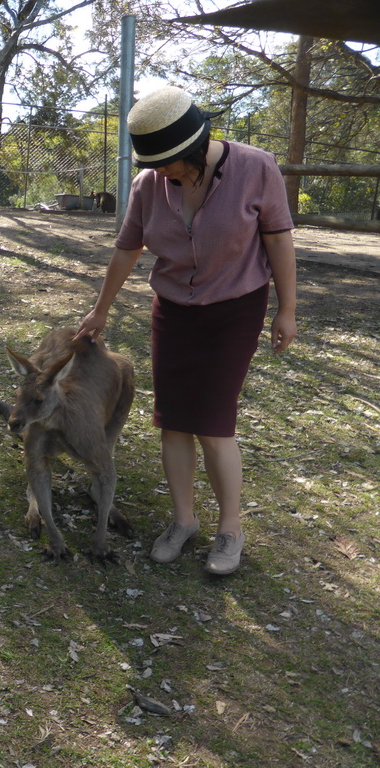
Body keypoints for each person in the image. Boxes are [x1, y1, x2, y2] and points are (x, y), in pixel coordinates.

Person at [74, 85, 297, 576]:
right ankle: (183, 520)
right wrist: (100, 311)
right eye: (154, 162)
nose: (162, 171)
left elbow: (279, 239)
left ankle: (230, 529)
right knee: (173, 421)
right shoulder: (148, 186)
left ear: (197, 145)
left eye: (170, 160)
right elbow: (127, 249)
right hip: (174, 309)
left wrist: (287, 309)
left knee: (214, 424)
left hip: (235, 307)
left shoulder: (256, 167)